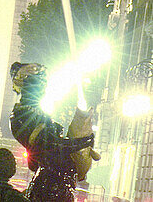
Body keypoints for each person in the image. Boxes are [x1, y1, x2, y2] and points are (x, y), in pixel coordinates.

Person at [9, 61, 99, 202]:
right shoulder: (20, 116)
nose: (43, 89)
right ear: (27, 87)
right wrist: (80, 142)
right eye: (39, 86)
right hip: (49, 186)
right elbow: (51, 144)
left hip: (59, 182)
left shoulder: (37, 114)